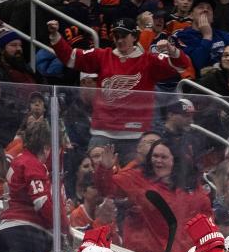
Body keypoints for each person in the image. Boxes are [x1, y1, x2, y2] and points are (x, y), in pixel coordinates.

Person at [47, 18, 191, 163]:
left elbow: (182, 66)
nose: (120, 40)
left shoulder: (149, 61)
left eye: (124, 36)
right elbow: (71, 58)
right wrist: (55, 36)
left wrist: (172, 50)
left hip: (136, 137)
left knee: (131, 183)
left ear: (134, 36)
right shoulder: (103, 56)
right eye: (116, 36)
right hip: (102, 133)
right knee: (95, 180)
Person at [0, 120, 59, 252]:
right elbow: (41, 202)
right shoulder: (32, 164)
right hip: (23, 233)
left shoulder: (18, 161)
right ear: (46, 148)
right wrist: (58, 228)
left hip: (7, 229)